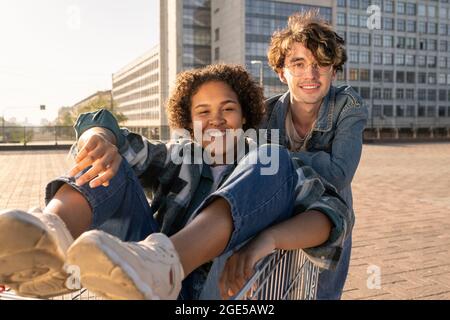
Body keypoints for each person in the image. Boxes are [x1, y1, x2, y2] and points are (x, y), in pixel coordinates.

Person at [0, 64, 349, 300]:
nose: (217, 120)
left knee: (273, 159)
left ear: (245, 115)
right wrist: (98, 135)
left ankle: (168, 263)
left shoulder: (269, 164)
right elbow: (115, 135)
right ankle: (50, 240)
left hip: (218, 288)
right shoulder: (178, 158)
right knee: (108, 157)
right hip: (139, 280)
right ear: (189, 121)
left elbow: (333, 215)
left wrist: (270, 238)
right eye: (203, 112)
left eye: (228, 109)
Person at [222, 10, 368, 300]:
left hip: (328, 214)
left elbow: (339, 173)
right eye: (298, 64)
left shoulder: (347, 106)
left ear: (333, 70)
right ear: (281, 71)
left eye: (320, 64)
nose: (310, 75)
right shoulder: (264, 115)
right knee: (270, 292)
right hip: (278, 215)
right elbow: (248, 165)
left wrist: (277, 159)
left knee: (324, 295)